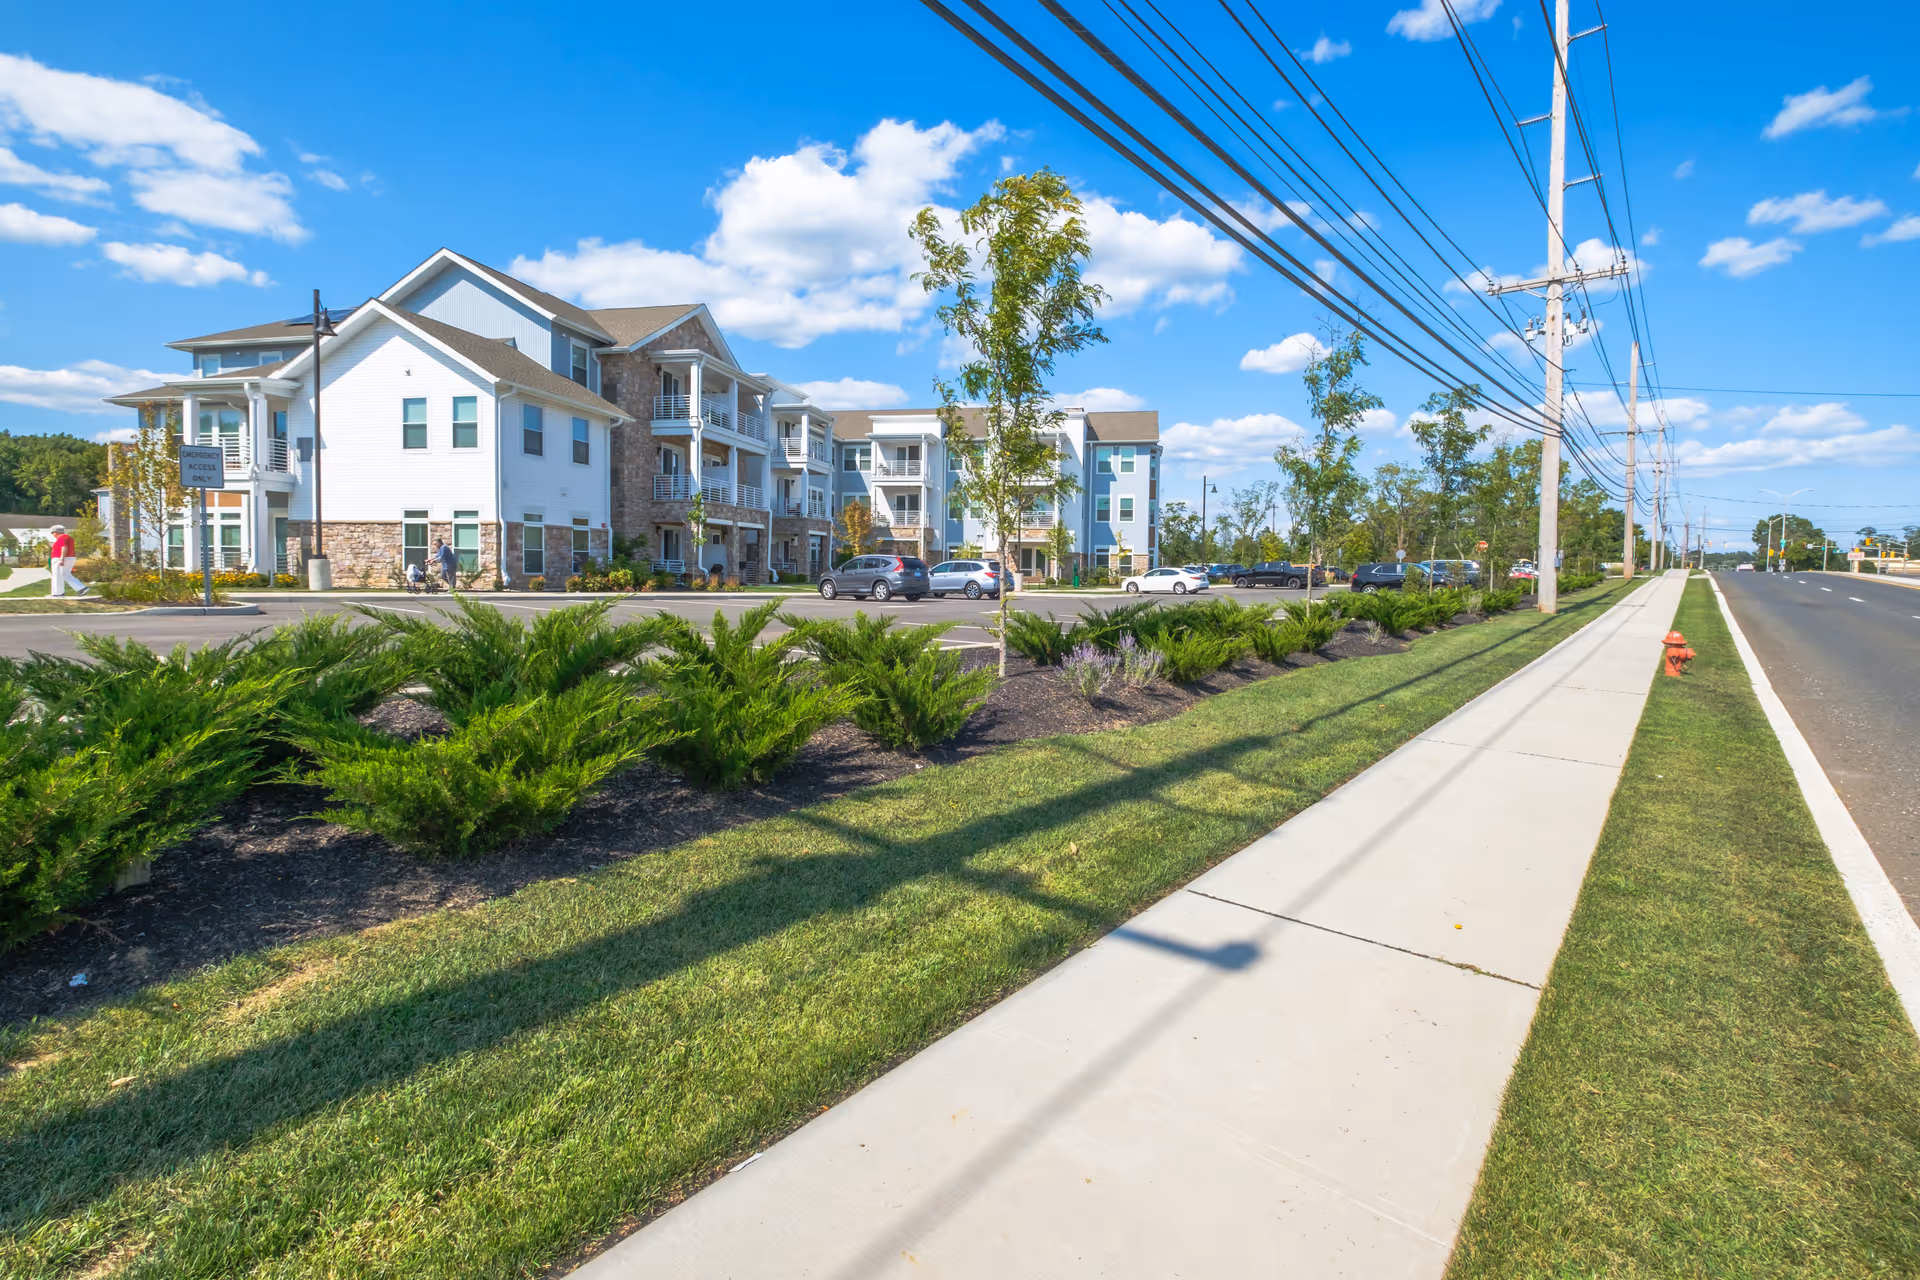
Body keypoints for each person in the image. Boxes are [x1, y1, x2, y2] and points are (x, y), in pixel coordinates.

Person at [47, 523, 89, 597]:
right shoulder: (68, 537)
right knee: (66, 575)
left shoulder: (61, 538)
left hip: (60, 558)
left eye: (52, 533)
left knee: (57, 575)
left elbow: (64, 548)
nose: (53, 535)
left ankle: (58, 593)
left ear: (56, 532)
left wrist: (61, 559)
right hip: (70, 557)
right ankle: (82, 588)